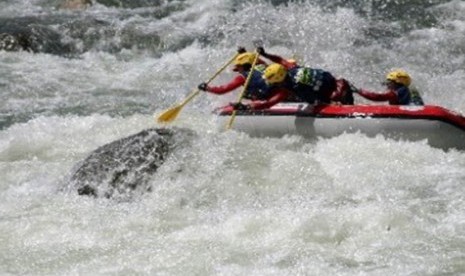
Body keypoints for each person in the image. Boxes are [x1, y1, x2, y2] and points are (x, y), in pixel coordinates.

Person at [256, 47, 357, 105]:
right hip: (337, 83)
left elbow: (315, 103)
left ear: (279, 80)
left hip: (337, 95)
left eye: (274, 82)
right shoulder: (292, 68)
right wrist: (265, 54)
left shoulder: (297, 87)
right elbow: (281, 60)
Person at [197, 47, 271, 102]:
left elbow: (222, 90)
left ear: (243, 66)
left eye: (238, 67)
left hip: (264, 99)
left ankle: (256, 102)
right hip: (275, 94)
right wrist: (244, 54)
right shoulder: (264, 66)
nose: (237, 70)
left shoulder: (243, 77)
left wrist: (206, 88)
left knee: (246, 94)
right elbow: (254, 60)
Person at [356, 70, 424, 105]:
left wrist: (359, 91)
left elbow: (379, 97)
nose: (387, 85)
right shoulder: (405, 90)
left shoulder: (402, 90)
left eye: (389, 82)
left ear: (398, 83)